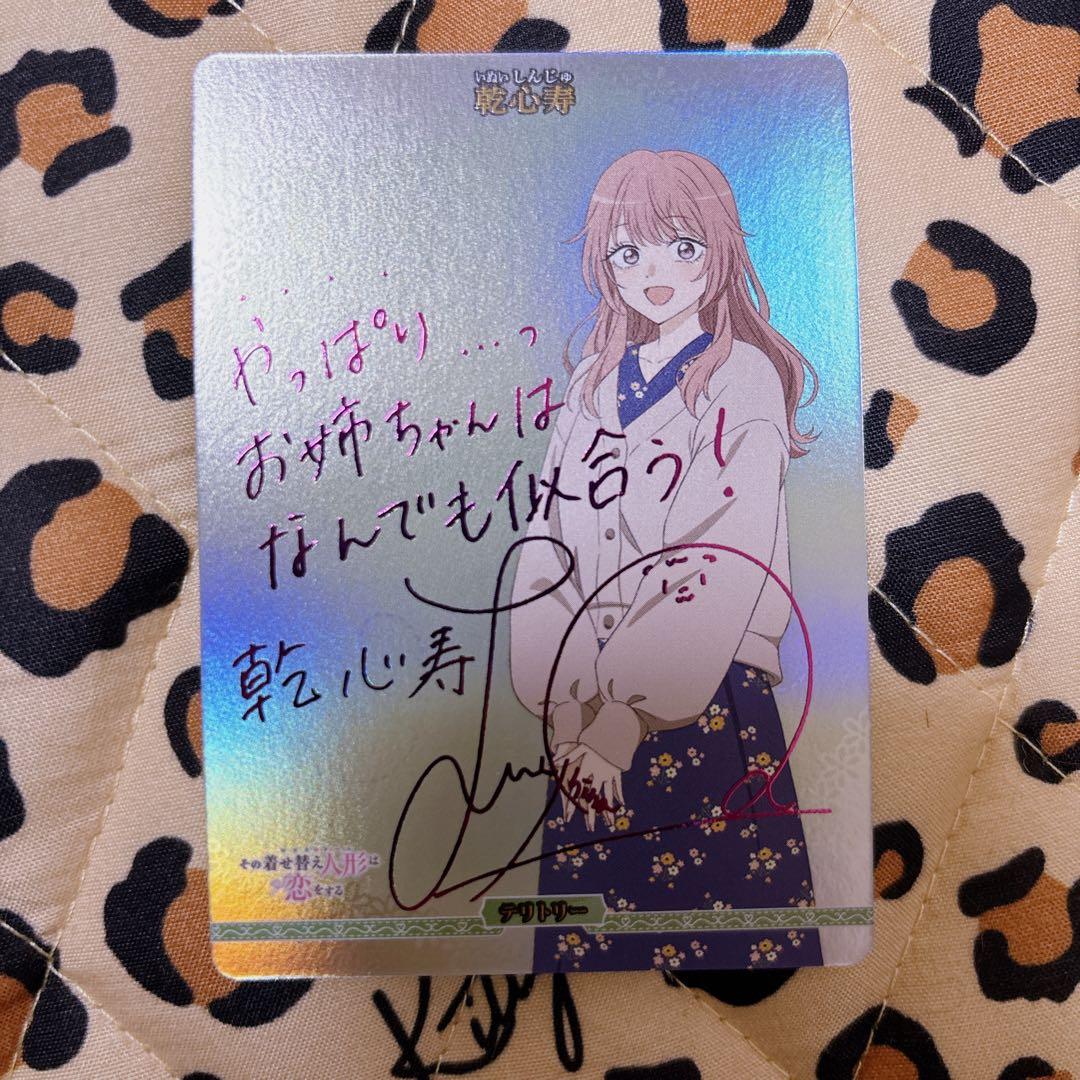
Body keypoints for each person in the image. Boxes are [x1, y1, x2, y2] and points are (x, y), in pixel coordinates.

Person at [509, 149, 823, 971]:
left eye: (683, 247)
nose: (656, 273)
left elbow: (721, 553)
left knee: (729, 950)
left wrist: (622, 719)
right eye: (630, 252)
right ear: (605, 265)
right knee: (588, 948)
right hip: (586, 715)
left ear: (719, 251)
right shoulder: (590, 386)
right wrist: (564, 707)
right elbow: (548, 542)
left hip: (702, 699)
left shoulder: (740, 379)